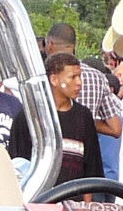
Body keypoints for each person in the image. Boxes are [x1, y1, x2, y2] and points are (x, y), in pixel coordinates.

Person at [8, 53, 107, 183]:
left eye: (79, 76)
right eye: (72, 77)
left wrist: (86, 202)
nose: (79, 83)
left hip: (74, 198)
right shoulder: (30, 117)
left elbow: (91, 167)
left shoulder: (84, 116)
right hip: (39, 199)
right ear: (54, 79)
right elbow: (17, 166)